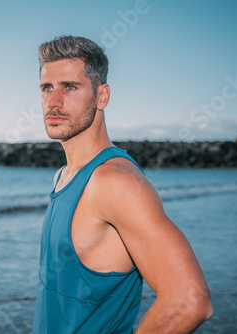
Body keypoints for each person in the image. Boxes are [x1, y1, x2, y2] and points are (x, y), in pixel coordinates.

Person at [32, 36, 213, 333]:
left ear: (102, 96)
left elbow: (189, 300)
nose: (53, 102)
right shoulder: (63, 175)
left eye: (70, 87)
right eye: (47, 88)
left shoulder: (115, 183)